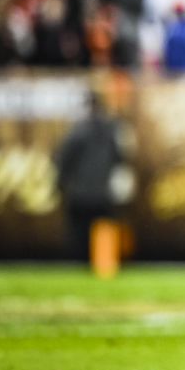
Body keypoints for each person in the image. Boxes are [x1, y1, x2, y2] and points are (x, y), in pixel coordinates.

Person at [53, 92, 128, 261]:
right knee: (104, 230)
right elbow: (120, 158)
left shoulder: (77, 130)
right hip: (104, 191)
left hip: (79, 192)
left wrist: (59, 183)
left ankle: (79, 263)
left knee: (79, 233)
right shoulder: (111, 129)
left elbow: (64, 159)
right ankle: (105, 264)